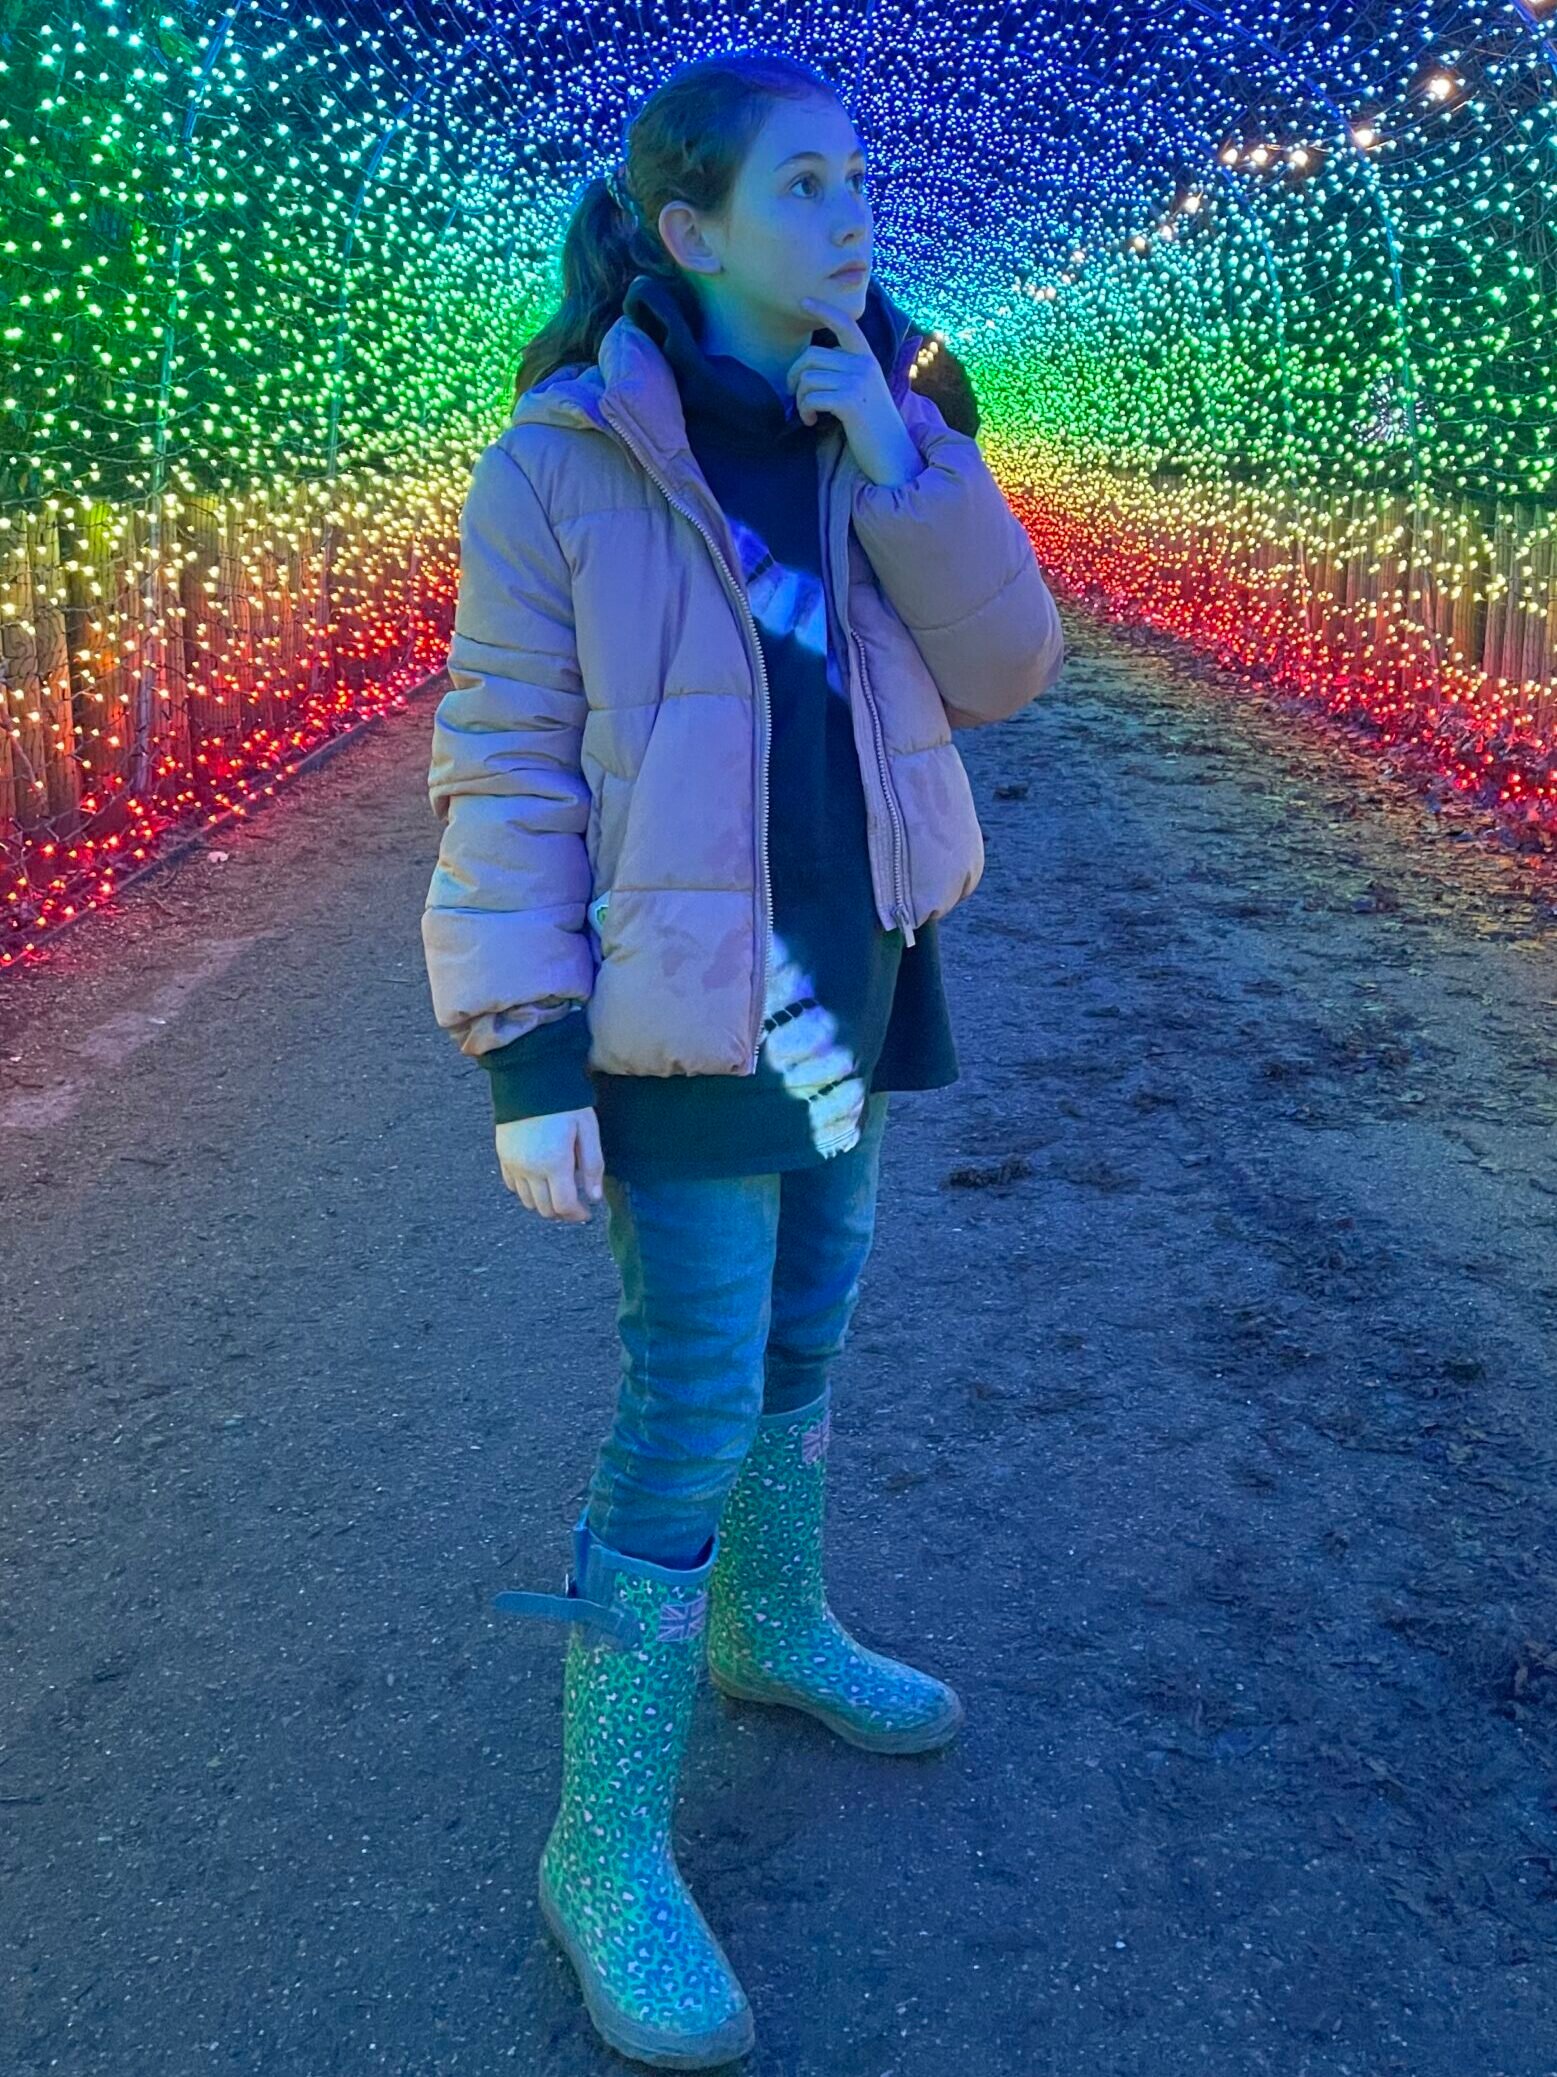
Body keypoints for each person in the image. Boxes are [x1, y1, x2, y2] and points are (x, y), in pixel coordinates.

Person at [420, 49, 1065, 2071]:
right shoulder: (561, 463)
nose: (852, 211)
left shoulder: (890, 416)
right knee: (689, 1389)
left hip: (852, 972)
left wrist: (906, 462)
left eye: (860, 175)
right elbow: (507, 765)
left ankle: (770, 1628)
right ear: (688, 230)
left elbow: (1008, 670)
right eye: (804, 184)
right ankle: (601, 1841)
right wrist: (526, 1055)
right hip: (678, 1012)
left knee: (808, 1326)